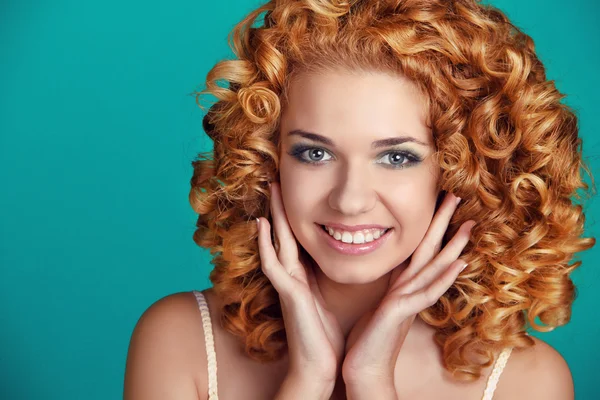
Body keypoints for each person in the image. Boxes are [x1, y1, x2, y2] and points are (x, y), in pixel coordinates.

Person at [123, 0, 596, 399]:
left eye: (396, 158)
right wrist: (307, 382)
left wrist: (369, 381)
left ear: (461, 172)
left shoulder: (525, 382)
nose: (350, 200)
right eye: (315, 152)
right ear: (269, 161)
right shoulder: (181, 340)